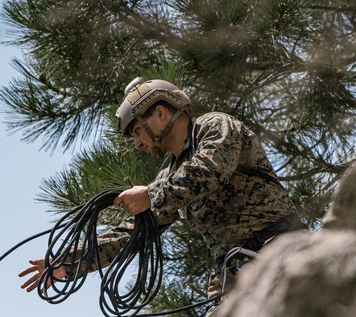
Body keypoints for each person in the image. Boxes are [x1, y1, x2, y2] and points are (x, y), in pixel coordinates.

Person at [19, 77, 301, 303]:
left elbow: (210, 169)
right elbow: (132, 233)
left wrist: (151, 195)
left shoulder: (213, 126)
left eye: (137, 132)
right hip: (234, 279)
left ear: (160, 113)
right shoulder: (168, 174)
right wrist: (68, 263)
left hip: (280, 249)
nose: (137, 144)